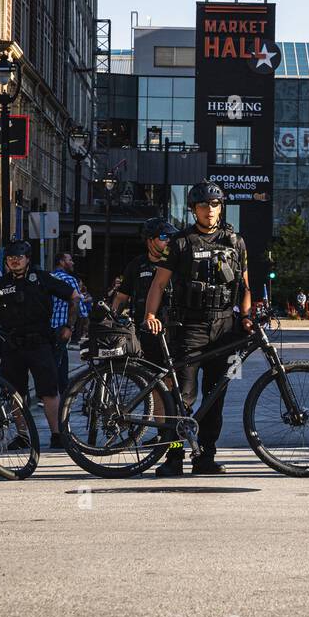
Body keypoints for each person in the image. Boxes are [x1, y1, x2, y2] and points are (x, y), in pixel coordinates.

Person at [144, 181, 253, 476]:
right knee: (183, 398)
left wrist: (246, 316)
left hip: (225, 329)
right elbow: (159, 283)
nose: (210, 210)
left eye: (215, 205)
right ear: (193, 210)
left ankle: (205, 457)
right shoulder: (180, 243)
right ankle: (174, 458)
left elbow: (244, 286)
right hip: (188, 327)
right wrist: (150, 314)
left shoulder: (235, 242)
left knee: (215, 398)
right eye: (204, 205)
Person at [0, 239, 81, 451]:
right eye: (10, 258)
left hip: (40, 342)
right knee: (15, 392)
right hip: (10, 343)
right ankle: (23, 435)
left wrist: (69, 326)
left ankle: (57, 434)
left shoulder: (42, 278)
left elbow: (74, 297)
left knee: (49, 391)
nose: (15, 261)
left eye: (19, 257)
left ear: (28, 259)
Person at [112, 218, 183, 470]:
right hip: (147, 336)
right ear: (150, 240)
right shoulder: (137, 265)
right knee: (155, 386)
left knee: (177, 388)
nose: (168, 242)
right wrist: (113, 319)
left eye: (170, 238)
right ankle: (165, 433)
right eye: (164, 237)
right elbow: (121, 298)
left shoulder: (177, 263)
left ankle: (174, 441)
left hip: (174, 333)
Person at [50, 252, 87, 398]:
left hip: (49, 325)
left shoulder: (49, 277)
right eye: (69, 259)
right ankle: (50, 392)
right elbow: (78, 304)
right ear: (61, 262)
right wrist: (71, 326)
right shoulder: (69, 279)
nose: (72, 263)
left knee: (61, 358)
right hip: (62, 325)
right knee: (57, 359)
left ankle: (63, 388)